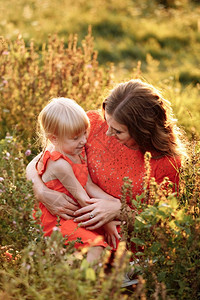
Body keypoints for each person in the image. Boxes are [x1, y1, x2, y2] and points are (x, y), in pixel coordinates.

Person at [27, 79, 186, 246]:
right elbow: (44, 158)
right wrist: (41, 191)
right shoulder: (93, 124)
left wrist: (120, 211)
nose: (108, 133)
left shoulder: (167, 163)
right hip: (76, 227)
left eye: (118, 131)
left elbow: (159, 226)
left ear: (141, 131)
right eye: (108, 123)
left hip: (120, 244)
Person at [35, 97, 121, 263]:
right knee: (96, 246)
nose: (83, 141)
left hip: (75, 214)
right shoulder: (60, 164)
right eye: (75, 138)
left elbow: (89, 185)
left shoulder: (77, 153)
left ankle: (64, 272)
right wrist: (107, 223)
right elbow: (82, 197)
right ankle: (83, 287)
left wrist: (115, 203)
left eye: (84, 133)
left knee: (104, 243)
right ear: (53, 138)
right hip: (57, 220)